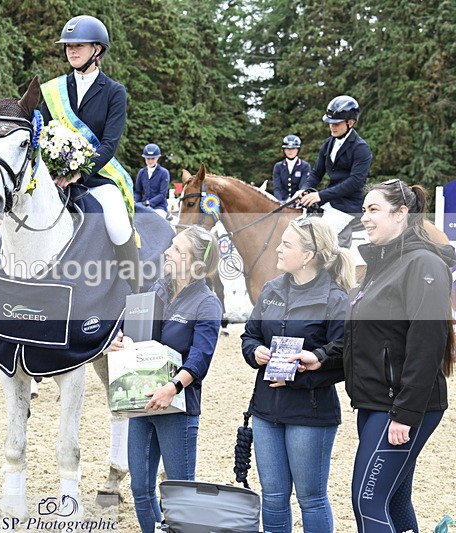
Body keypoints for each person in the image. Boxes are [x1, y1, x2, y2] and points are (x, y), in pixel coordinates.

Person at [292, 180, 455, 533]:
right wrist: (321, 357)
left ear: (401, 214)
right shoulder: (381, 266)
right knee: (394, 498)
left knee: (367, 501)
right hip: (375, 402)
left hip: (401, 406)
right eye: (364, 209)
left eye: (374, 209)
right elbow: (364, 338)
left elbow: (427, 343)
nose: (364, 217)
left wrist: (405, 414)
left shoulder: (423, 263)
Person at [241, 216, 355, 532]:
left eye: (286, 244)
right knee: (273, 497)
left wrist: (300, 373)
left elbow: (345, 356)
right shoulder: (270, 289)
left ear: (307, 256)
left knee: (311, 498)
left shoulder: (335, 298)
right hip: (266, 410)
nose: (277, 249)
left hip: (310, 412)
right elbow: (249, 335)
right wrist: (255, 352)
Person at [109, 226, 222, 532]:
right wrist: (120, 339)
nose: (167, 253)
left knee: (180, 493)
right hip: (144, 402)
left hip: (177, 408)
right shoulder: (157, 288)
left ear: (194, 262)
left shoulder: (207, 303)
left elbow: (201, 357)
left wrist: (172, 388)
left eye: (176, 249)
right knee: (140, 490)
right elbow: (129, 324)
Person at [40, 15, 140, 288]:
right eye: (68, 46)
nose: (71, 50)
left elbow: (109, 144)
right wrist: (54, 172)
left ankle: (135, 293)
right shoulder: (52, 91)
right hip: (53, 178)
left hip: (97, 178)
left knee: (119, 226)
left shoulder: (114, 92)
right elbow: (43, 136)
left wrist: (77, 175)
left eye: (79, 45)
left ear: (97, 50)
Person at [296, 95, 373, 247]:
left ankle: (339, 267)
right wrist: (304, 189)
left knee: (325, 241)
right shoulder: (328, 144)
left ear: (350, 123)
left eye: (337, 123)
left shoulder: (361, 148)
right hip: (330, 201)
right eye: (330, 123)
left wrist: (320, 195)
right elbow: (316, 173)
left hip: (348, 205)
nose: (332, 127)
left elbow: (355, 182)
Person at [134, 143, 170, 217]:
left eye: (153, 158)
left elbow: (162, 195)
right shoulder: (141, 172)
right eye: (148, 159)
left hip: (159, 207)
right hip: (143, 206)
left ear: (157, 158)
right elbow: (138, 192)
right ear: (145, 158)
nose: (150, 161)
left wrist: (148, 202)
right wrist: (134, 201)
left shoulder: (164, 173)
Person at [272, 134, 310, 202]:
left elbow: (303, 185)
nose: (290, 151)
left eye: (293, 149)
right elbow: (277, 188)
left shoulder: (305, 166)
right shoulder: (278, 166)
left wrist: (297, 199)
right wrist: (280, 201)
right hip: (282, 201)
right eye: (288, 149)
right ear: (284, 150)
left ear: (298, 149)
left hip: (299, 201)